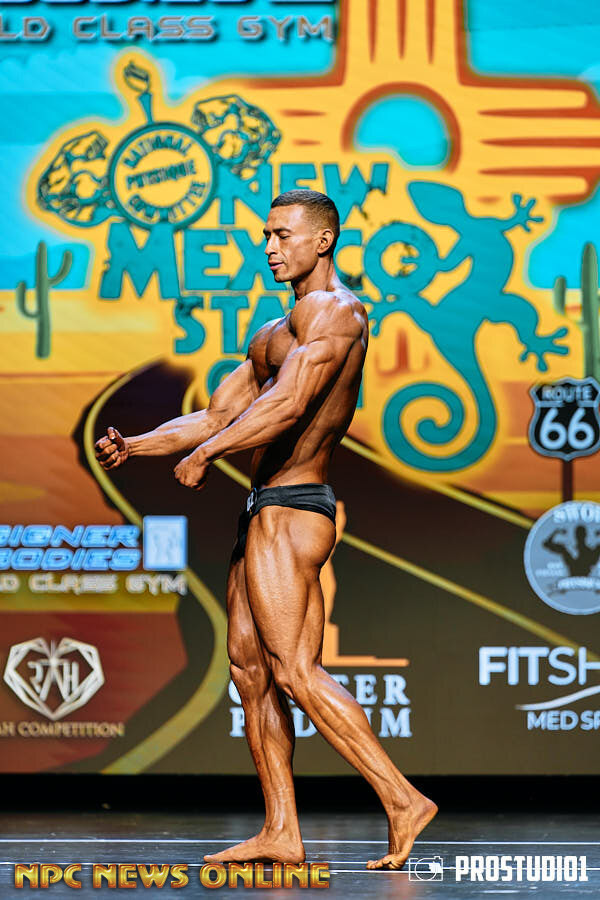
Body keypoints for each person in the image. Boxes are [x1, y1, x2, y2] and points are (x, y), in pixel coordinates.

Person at [95, 189, 437, 870]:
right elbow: (215, 413)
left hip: (294, 507)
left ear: (323, 241)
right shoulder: (272, 335)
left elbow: (290, 404)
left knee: (294, 670)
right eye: (266, 236)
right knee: (250, 672)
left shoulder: (337, 314)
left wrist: (207, 456)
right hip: (262, 511)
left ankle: (403, 799)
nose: (271, 248)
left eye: (284, 235)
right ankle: (282, 830)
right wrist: (136, 445)